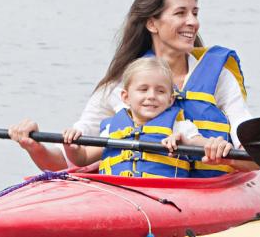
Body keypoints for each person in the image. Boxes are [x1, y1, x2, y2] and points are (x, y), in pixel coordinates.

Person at [10, 0, 252, 174]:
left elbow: (247, 145)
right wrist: (33, 146)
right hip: (138, 192)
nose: (193, 22)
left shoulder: (218, 76)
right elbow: (67, 160)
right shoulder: (119, 85)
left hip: (213, 187)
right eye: (181, 13)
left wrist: (226, 153)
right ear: (152, 24)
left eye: (195, 13)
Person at [58, 56, 198, 176]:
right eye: (143, 90)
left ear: (170, 100)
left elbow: (203, 145)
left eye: (160, 91)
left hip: (163, 196)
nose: (151, 96)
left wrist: (187, 142)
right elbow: (83, 158)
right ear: (125, 97)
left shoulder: (180, 127)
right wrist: (71, 147)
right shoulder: (112, 129)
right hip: (118, 194)